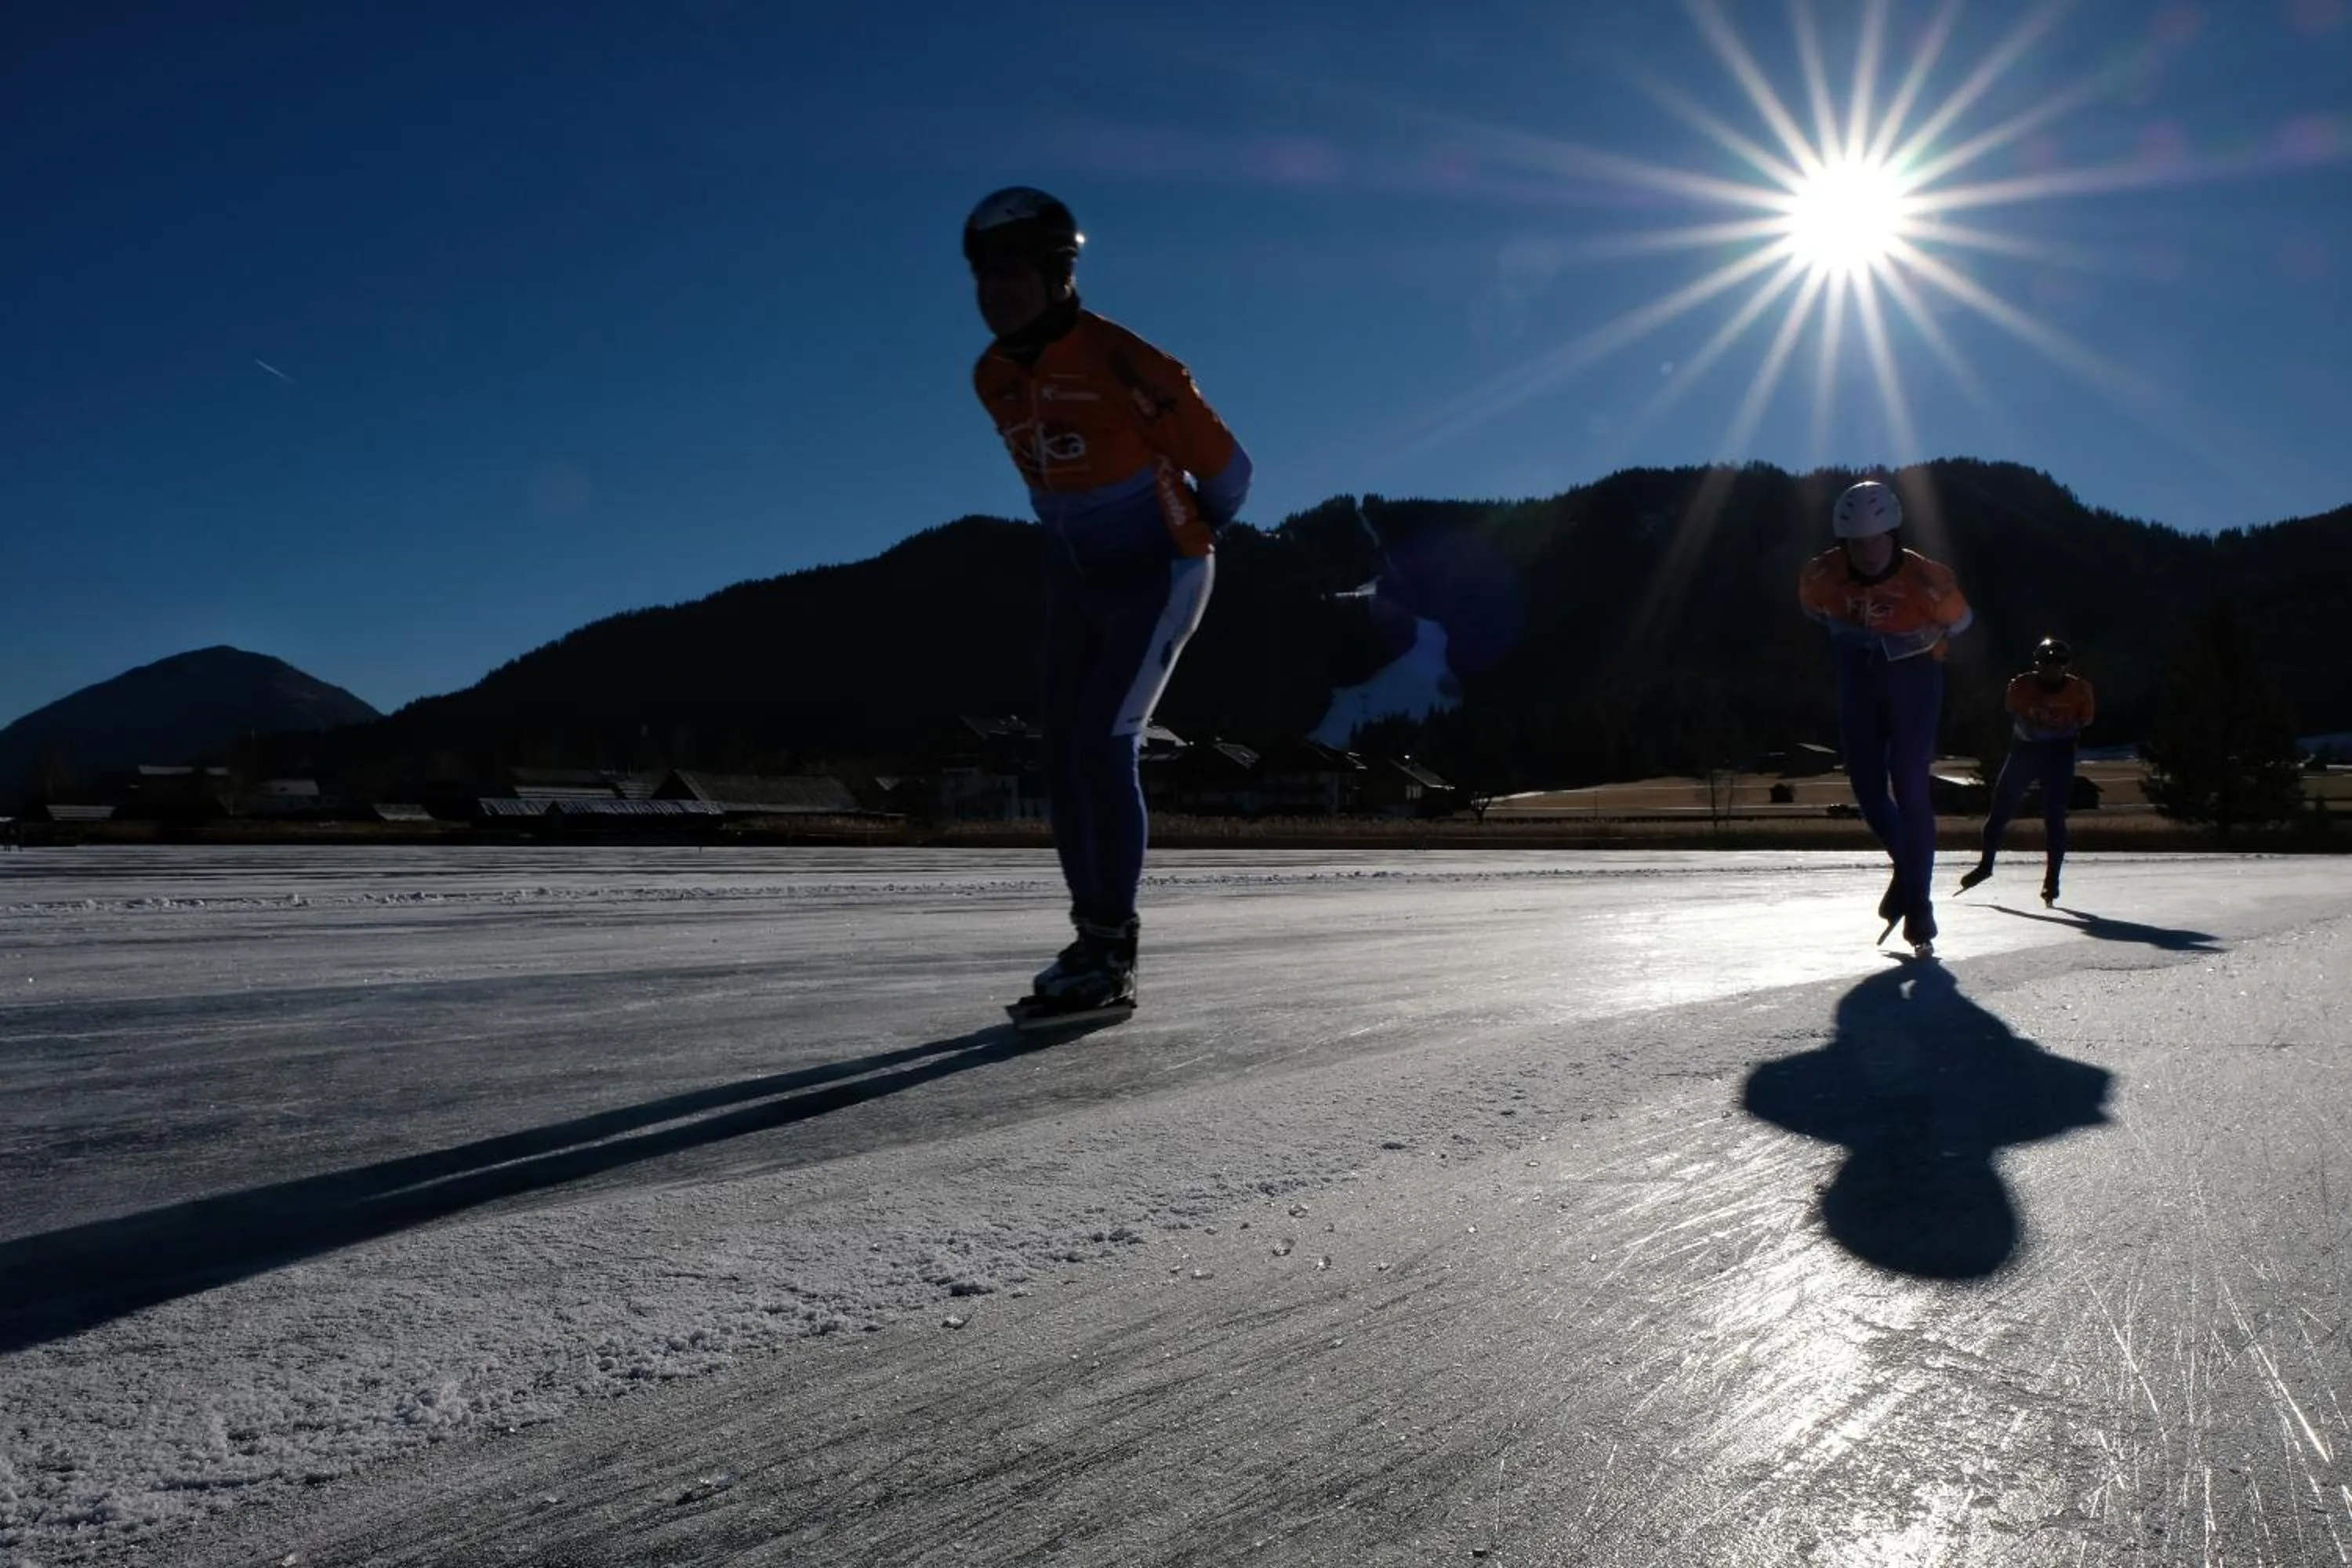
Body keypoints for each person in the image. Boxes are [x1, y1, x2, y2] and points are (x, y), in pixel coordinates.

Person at [964, 187, 1253, 1023]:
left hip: (1162, 572)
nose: (994, 293)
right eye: (983, 277)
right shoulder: (991, 378)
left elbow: (1231, 475)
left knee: (1103, 745)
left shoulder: (1128, 361)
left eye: (1011, 274)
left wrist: (1187, 531)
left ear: (1059, 275)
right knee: (1060, 758)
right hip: (1077, 583)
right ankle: (1090, 942)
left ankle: (1113, 949)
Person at [1798, 478, 1975, 956]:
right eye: (1857, 542)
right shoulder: (1821, 576)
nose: (1868, 551)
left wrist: (1921, 639)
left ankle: (1918, 905)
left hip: (1913, 680)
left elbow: (1962, 621)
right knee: (1867, 789)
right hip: (1858, 679)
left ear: (1893, 533)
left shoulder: (1928, 579)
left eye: (1877, 539)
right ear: (1843, 543)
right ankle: (1909, 870)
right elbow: (1813, 609)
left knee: (1910, 782)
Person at [1957, 637, 2095, 906]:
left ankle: (2052, 879)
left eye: (2058, 664)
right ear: (2037, 663)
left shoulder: (2080, 690)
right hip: (2026, 751)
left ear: (2066, 666)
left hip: (2059, 754)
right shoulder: (2020, 686)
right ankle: (1986, 865)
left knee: (2054, 816)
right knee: (2000, 810)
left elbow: (2085, 720)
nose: (2051, 670)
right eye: (2046, 663)